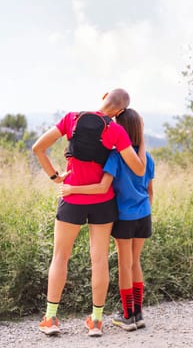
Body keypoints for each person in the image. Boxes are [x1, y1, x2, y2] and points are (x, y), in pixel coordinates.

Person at [32, 89, 146, 337]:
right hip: (103, 202)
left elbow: (38, 148)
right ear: (120, 112)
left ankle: (51, 318)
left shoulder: (71, 119)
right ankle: (95, 321)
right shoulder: (116, 130)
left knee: (60, 256)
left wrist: (55, 177)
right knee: (99, 260)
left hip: (72, 197)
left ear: (104, 96)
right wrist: (141, 140)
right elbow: (138, 169)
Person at [60, 108, 155, 332]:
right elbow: (150, 190)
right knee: (136, 262)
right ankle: (138, 313)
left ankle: (128, 315)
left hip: (124, 217)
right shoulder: (147, 158)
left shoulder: (116, 156)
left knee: (125, 264)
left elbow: (104, 186)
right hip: (144, 214)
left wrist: (72, 187)